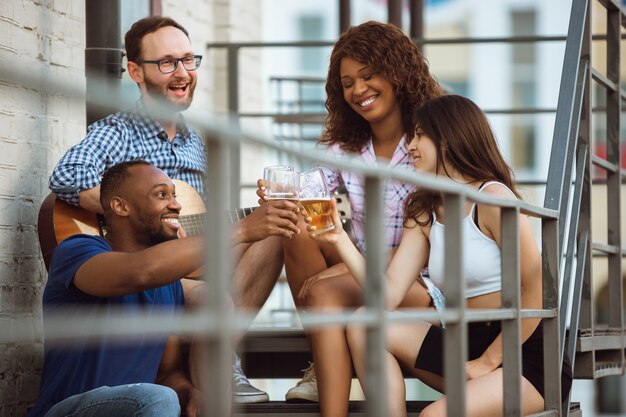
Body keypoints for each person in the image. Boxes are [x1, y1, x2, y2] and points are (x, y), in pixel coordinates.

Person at [49, 16, 300, 403]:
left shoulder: (194, 142)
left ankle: (219, 363)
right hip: (142, 264)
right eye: (167, 62)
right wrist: (128, 216)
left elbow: (199, 216)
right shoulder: (118, 130)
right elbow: (67, 176)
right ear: (135, 71)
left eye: (188, 60)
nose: (182, 73)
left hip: (191, 259)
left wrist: (254, 218)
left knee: (274, 237)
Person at [310, 95, 573, 416]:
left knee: (433, 416)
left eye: (420, 135)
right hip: (463, 344)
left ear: (447, 139)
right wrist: (338, 238)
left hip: (523, 355)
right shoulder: (425, 210)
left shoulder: (492, 199)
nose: (410, 146)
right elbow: (387, 295)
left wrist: (488, 361)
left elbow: (538, 290)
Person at [257, 21, 444, 414]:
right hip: (362, 273)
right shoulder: (343, 148)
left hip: (423, 284)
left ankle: (326, 380)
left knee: (324, 290)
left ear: (398, 74)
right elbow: (318, 207)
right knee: (295, 227)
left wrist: (335, 276)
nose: (358, 90)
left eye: (368, 75)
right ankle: (324, 359)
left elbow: (429, 244)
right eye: (347, 83)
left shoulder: (430, 140)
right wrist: (280, 198)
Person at [28, 161, 205, 417]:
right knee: (157, 398)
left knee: (164, 396)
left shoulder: (170, 284)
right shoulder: (77, 250)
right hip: (67, 411)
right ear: (121, 206)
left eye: (174, 195)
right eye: (161, 195)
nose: (176, 205)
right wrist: (241, 231)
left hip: (139, 407)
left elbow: (167, 373)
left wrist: (189, 393)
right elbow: (140, 271)